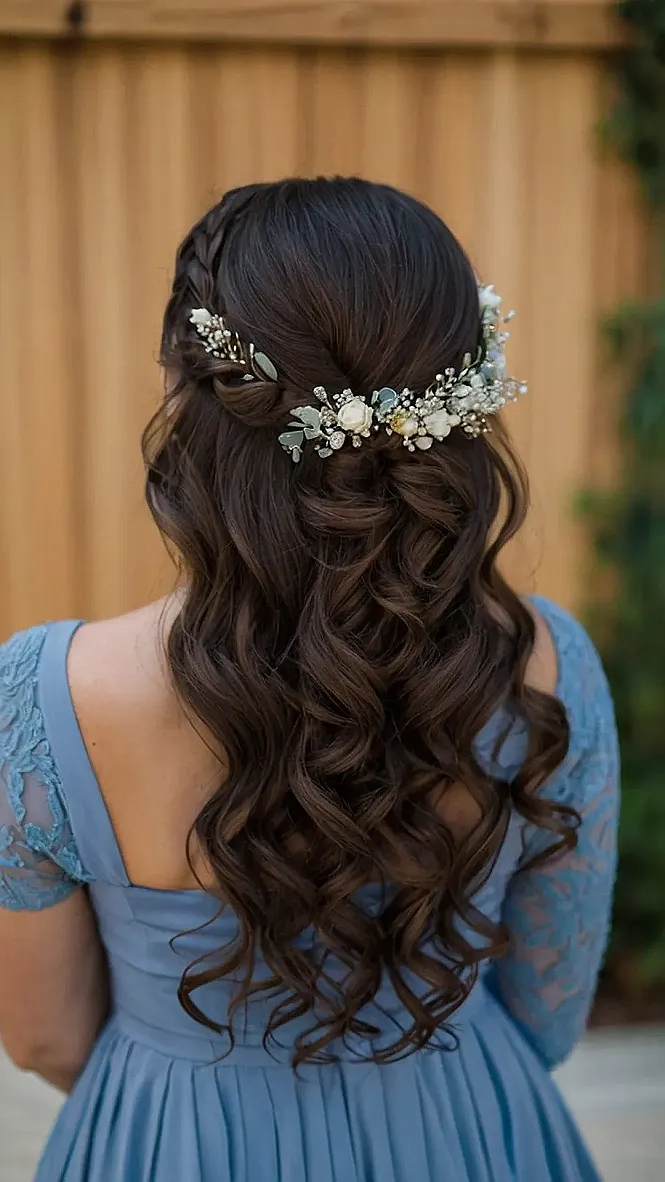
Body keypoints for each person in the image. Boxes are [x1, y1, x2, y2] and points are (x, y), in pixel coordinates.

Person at [0, 178, 618, 1181]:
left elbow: (44, 1036)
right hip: (464, 1133)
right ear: (461, 399)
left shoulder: (46, 693)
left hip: (173, 1144)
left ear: (180, 387)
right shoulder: (549, 663)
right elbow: (549, 1004)